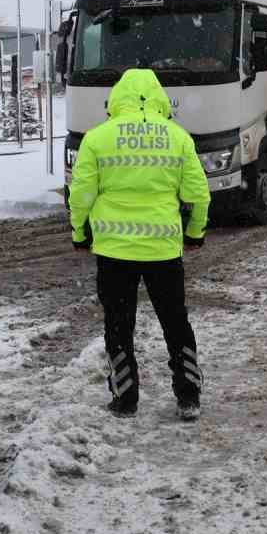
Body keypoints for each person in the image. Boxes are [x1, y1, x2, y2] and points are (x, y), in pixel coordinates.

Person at [69, 68, 211, 421]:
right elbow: (199, 195)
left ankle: (125, 398)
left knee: (118, 325)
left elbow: (80, 194)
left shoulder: (97, 138)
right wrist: (195, 232)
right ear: (160, 97)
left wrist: (80, 233)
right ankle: (188, 396)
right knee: (176, 323)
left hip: (115, 251)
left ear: (117, 98)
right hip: (162, 250)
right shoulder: (177, 137)